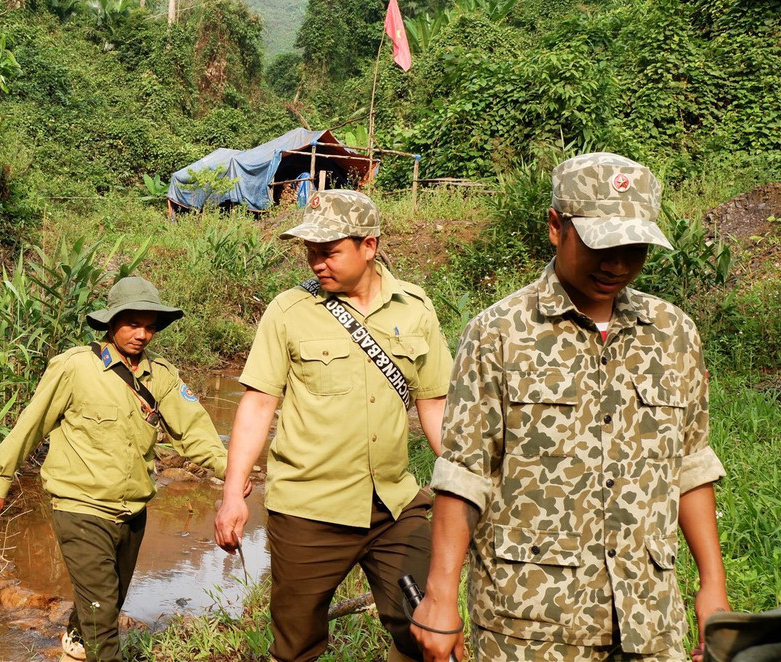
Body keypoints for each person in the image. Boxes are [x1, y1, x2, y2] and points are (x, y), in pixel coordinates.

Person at [412, 152, 730, 662]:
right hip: (531, 623)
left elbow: (691, 466)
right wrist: (440, 593)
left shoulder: (674, 334)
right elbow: (464, 472)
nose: (618, 264)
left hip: (650, 619)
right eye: (602, 244)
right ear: (556, 227)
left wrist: (712, 585)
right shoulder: (499, 332)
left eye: (634, 247)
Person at [214, 189, 453, 662]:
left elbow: (434, 404)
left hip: (394, 502)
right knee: (298, 645)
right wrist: (231, 496)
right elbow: (259, 404)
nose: (316, 263)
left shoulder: (415, 308)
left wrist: (465, 482)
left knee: (426, 627)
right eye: (310, 252)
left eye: (328, 252)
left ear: (370, 246)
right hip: (308, 509)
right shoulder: (288, 311)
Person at [0, 277, 233, 662]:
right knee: (104, 624)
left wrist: (232, 471)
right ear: (111, 322)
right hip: (80, 507)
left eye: (149, 326)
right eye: (133, 323)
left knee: (105, 602)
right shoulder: (76, 368)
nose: (142, 334)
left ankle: (75, 645)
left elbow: (195, 431)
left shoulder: (161, 376)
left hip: (132, 511)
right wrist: (0, 482)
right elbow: (31, 425)